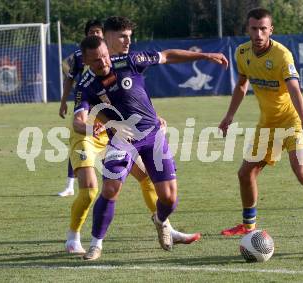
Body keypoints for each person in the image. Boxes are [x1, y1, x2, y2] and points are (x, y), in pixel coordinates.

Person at [75, 33, 228, 260]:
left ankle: (160, 220)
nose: (103, 62)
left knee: (169, 198)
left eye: (105, 56)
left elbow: (167, 56)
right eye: (96, 60)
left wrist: (204, 55)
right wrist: (90, 129)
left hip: (152, 136)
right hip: (122, 139)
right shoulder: (86, 85)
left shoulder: (129, 62)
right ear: (86, 61)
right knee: (110, 189)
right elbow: (78, 121)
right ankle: (96, 244)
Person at [218, 8, 303, 238]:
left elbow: (294, 88)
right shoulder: (242, 52)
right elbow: (241, 85)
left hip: (292, 123)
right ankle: (248, 227)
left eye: (263, 29)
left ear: (271, 30)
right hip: (267, 126)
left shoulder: (282, 55)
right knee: (245, 174)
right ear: (247, 29)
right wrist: (229, 116)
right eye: (254, 29)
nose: (258, 34)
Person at [58, 19, 104, 197]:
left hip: (106, 103)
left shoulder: (109, 54)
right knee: (79, 140)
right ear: (86, 35)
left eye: (98, 31)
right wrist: (63, 102)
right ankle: (70, 185)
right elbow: (70, 78)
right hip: (85, 103)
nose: (95, 34)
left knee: (114, 138)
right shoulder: (79, 56)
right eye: (91, 31)